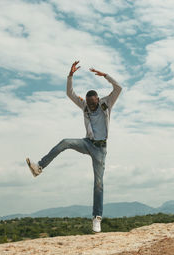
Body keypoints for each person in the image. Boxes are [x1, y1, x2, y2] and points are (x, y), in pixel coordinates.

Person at [26, 60, 122, 232]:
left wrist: (105, 76)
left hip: (100, 149)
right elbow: (70, 94)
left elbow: (119, 88)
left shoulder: (106, 103)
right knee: (65, 142)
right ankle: (39, 167)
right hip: (87, 143)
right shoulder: (85, 105)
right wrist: (70, 75)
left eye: (93, 105)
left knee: (98, 183)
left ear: (97, 100)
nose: (91, 108)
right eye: (88, 105)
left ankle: (97, 217)